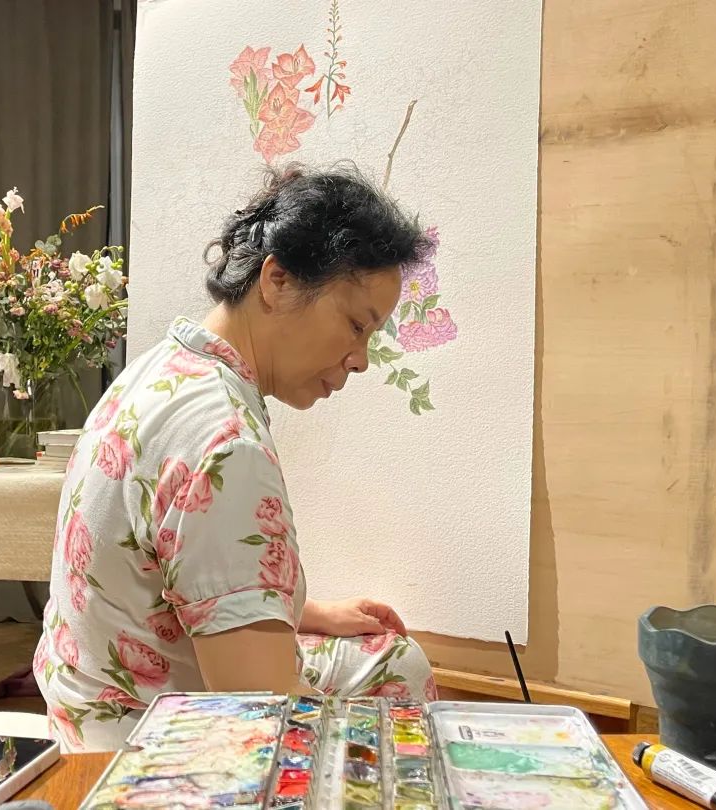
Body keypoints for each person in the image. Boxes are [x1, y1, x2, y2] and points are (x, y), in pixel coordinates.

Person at [33, 164, 437, 752]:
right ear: (277, 281)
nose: (361, 359)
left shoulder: (159, 370)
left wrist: (305, 611)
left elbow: (172, 577)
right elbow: (261, 711)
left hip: (84, 714)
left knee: (381, 651)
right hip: (148, 748)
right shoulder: (226, 444)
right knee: (399, 671)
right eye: (356, 326)